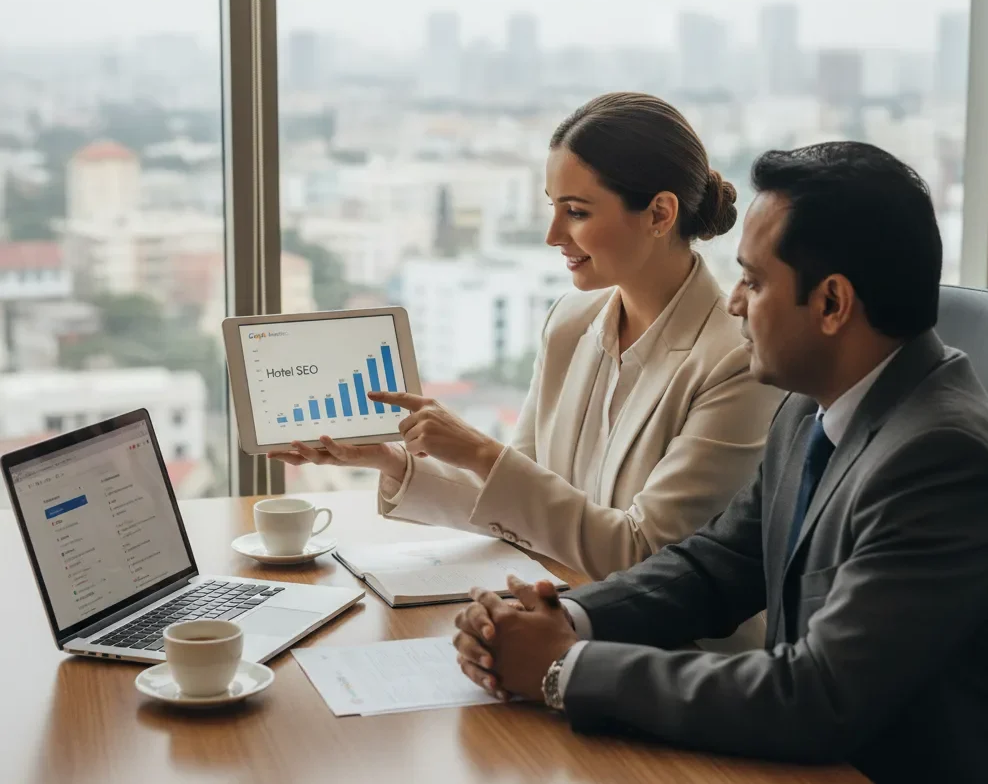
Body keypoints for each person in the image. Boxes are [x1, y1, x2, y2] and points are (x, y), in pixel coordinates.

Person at [451, 141, 988, 784]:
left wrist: (566, 668)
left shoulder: (943, 460)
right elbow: (717, 565)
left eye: (753, 281)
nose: (734, 303)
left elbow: (817, 696)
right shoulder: (811, 408)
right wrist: (563, 618)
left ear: (832, 304)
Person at [271, 93, 781, 613]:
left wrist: (480, 452)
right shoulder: (570, 322)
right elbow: (521, 504)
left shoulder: (734, 361)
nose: (552, 235)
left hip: (671, 654)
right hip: (563, 614)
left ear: (659, 213)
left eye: (576, 212)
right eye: (553, 207)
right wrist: (390, 460)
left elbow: (645, 554)